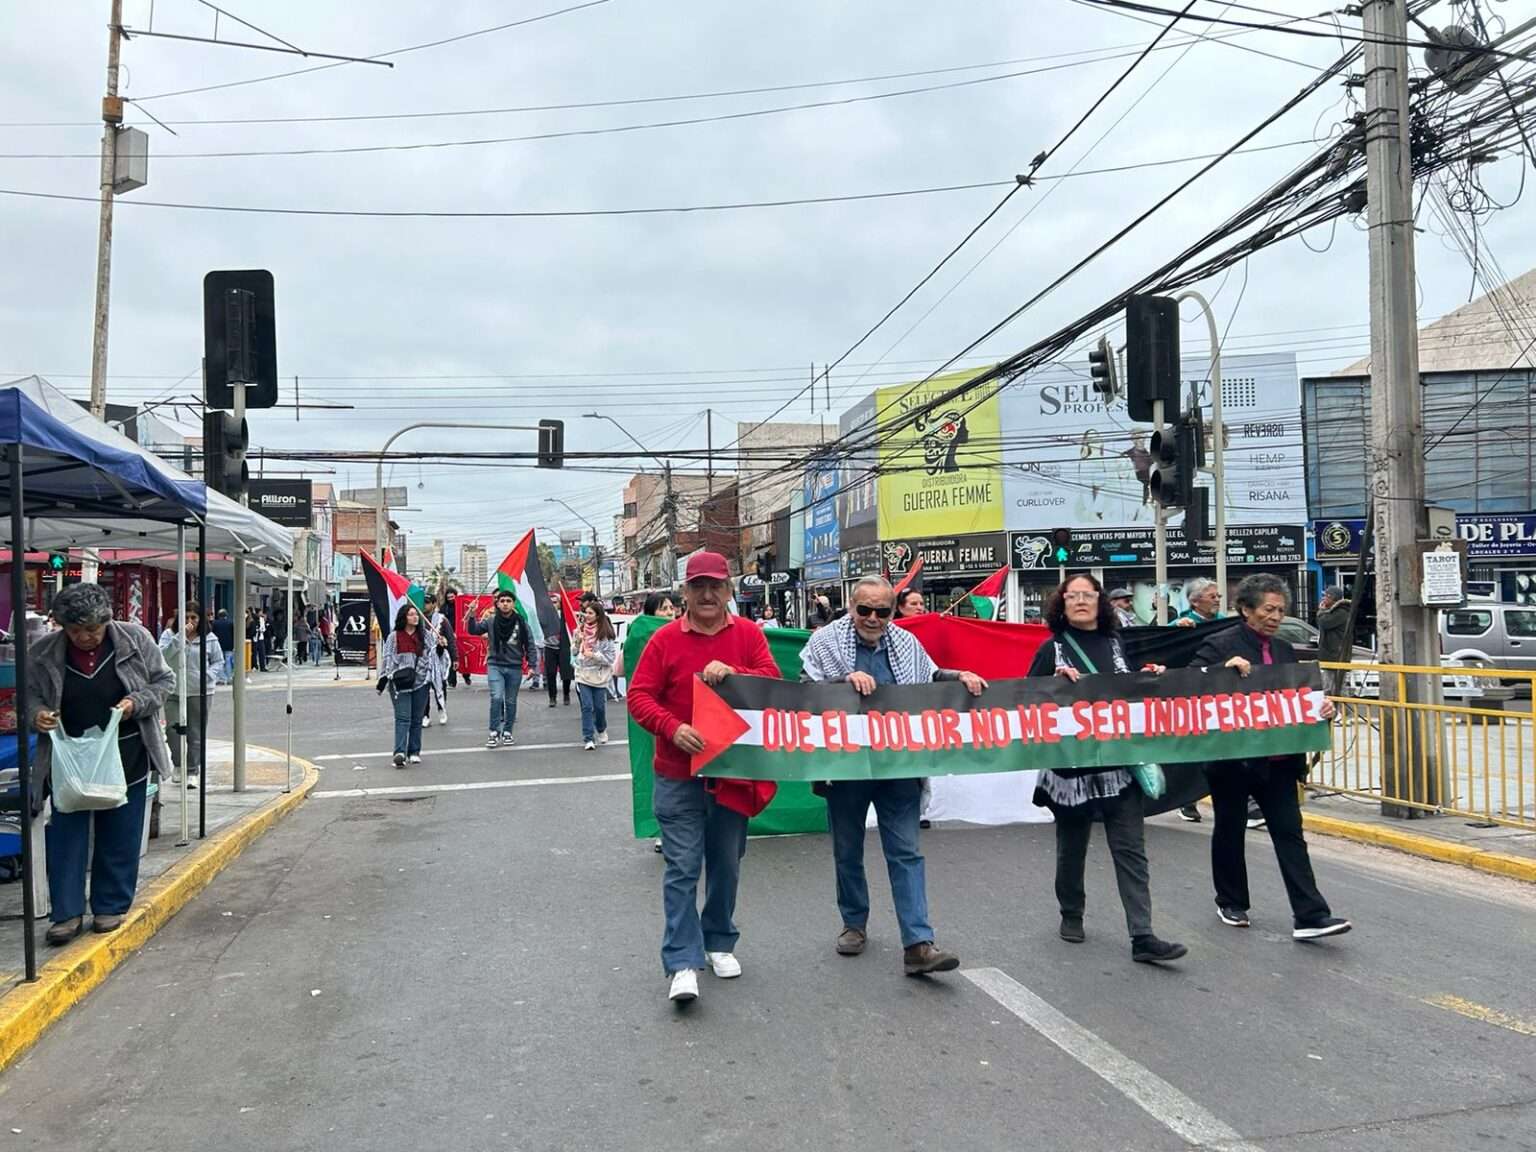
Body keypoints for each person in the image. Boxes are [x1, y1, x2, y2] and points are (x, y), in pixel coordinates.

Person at [801, 575, 986, 977]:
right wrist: (842, 683)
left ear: (892, 611)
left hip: (898, 764)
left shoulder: (906, 643)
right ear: (851, 607)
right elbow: (805, 692)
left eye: (881, 611)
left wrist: (962, 678)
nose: (872, 618)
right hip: (846, 765)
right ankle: (854, 924)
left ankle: (918, 943)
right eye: (864, 609)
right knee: (847, 849)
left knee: (906, 851)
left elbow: (931, 675)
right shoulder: (825, 642)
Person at [627, 551, 780, 1005]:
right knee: (682, 868)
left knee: (727, 864)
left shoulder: (750, 635)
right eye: (698, 586)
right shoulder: (664, 640)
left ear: (729, 590)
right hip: (677, 774)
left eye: (716, 585)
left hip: (732, 773)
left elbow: (772, 681)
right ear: (685, 594)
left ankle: (718, 941)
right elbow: (638, 696)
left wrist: (737, 673)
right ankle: (681, 962)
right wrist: (674, 728)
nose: (708, 594)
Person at [1027, 573, 1188, 966]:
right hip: (1072, 770)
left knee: (1131, 850)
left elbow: (1128, 692)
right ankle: (1071, 912)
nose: (1081, 601)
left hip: (1120, 765)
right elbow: (1026, 699)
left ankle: (1142, 935)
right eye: (1073, 596)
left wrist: (1149, 679)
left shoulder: (1117, 645)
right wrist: (1054, 685)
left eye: (1088, 595)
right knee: (1072, 846)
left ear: (1100, 602)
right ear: (1061, 605)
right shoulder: (1052, 650)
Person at [1191, 574, 1351, 940]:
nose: (1276, 616)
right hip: (1233, 761)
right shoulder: (1219, 645)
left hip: (1279, 762)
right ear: (1246, 609)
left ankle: (1310, 914)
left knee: (1289, 833)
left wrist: (1321, 707)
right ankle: (1231, 901)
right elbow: (1190, 687)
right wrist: (1221, 674)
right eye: (1268, 609)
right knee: (1230, 829)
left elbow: (1297, 697)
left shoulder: (1283, 651)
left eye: (1281, 610)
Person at [28, 583, 174, 945]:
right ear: (61, 626)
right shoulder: (43, 651)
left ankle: (110, 904)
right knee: (66, 832)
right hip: (69, 757)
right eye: (75, 630)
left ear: (107, 621)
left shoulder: (135, 640)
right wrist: (38, 714)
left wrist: (135, 702)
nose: (85, 637)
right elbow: (29, 695)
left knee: (120, 830)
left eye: (92, 629)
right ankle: (67, 913)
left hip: (127, 752)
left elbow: (163, 681)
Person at [158, 601, 224, 786]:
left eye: (194, 617)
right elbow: (162, 656)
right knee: (173, 730)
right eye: (186, 617)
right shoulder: (169, 635)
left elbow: (218, 661)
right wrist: (180, 637)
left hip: (199, 691)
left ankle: (193, 769)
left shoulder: (209, 638)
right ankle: (178, 764)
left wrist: (208, 676)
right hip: (173, 690)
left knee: (196, 732)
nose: (190, 621)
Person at [467, 588, 533, 748]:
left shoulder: (521, 622)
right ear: (497, 603)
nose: (505, 604)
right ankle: (494, 732)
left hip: (515, 666)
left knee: (510, 701)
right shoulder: (491, 621)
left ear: (513, 604)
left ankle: (508, 732)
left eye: (508, 601)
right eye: (502, 601)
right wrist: (471, 614)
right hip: (495, 665)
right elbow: (474, 630)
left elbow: (530, 644)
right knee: (496, 697)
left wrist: (532, 665)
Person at [377, 603, 433, 768]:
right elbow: (387, 658)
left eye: (416, 614)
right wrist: (384, 679)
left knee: (416, 718)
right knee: (402, 718)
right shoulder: (394, 637)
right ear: (403, 617)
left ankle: (414, 751)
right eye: (411, 614)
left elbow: (432, 655)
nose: (415, 617)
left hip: (421, 682)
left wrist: (442, 645)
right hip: (399, 682)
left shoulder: (426, 635)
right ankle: (399, 752)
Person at [574, 601, 618, 750]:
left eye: (590, 613)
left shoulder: (605, 635)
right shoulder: (579, 631)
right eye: (585, 612)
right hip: (583, 674)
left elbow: (611, 659)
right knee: (587, 706)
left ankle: (601, 728)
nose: (587, 616)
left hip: (599, 676)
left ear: (598, 615)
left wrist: (594, 655)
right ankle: (588, 737)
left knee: (599, 707)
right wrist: (577, 643)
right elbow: (573, 652)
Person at [421, 593, 453, 728]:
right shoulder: (417, 619)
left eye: (427, 602)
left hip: (438, 658)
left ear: (434, 604)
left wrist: (455, 657)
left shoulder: (441, 620)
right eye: (423, 602)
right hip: (422, 658)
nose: (425, 605)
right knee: (423, 688)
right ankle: (425, 715)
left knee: (439, 686)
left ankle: (441, 709)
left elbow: (450, 639)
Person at [1316, 585, 1352, 694]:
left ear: (1333, 598)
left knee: (1338, 690)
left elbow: (1324, 622)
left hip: (1336, 655)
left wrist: (1321, 611)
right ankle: (1334, 709)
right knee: (1328, 689)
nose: (1324, 599)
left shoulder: (1342, 612)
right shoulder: (1333, 612)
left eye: (1327, 596)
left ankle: (1344, 711)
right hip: (1331, 656)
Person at [544, 596, 574, 709]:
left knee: (566, 673)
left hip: (564, 647)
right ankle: (552, 697)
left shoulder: (565, 615)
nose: (553, 604)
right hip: (549, 647)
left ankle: (566, 694)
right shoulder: (545, 616)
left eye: (555, 602)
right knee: (550, 673)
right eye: (550, 602)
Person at [211, 609, 236, 685]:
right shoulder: (231, 623)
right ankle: (229, 678)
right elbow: (233, 634)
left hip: (218, 644)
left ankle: (221, 678)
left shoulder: (215, 623)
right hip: (229, 645)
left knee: (220, 662)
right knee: (228, 661)